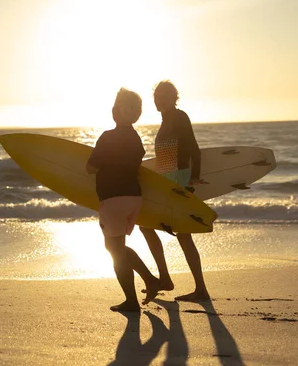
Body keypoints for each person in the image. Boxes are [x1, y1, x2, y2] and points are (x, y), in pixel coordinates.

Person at [86, 88, 161, 312]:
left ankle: (132, 301)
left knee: (114, 248)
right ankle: (150, 280)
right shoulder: (136, 139)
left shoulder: (108, 137)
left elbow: (90, 168)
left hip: (112, 198)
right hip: (133, 198)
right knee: (118, 246)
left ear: (115, 111)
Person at [139, 80, 210, 302]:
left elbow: (194, 149)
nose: (158, 100)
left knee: (178, 233)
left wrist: (193, 180)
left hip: (178, 180)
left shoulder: (179, 117)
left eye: (163, 96)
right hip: (167, 180)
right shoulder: (166, 120)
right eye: (156, 97)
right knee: (149, 227)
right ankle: (168, 280)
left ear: (173, 97)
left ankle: (195, 288)